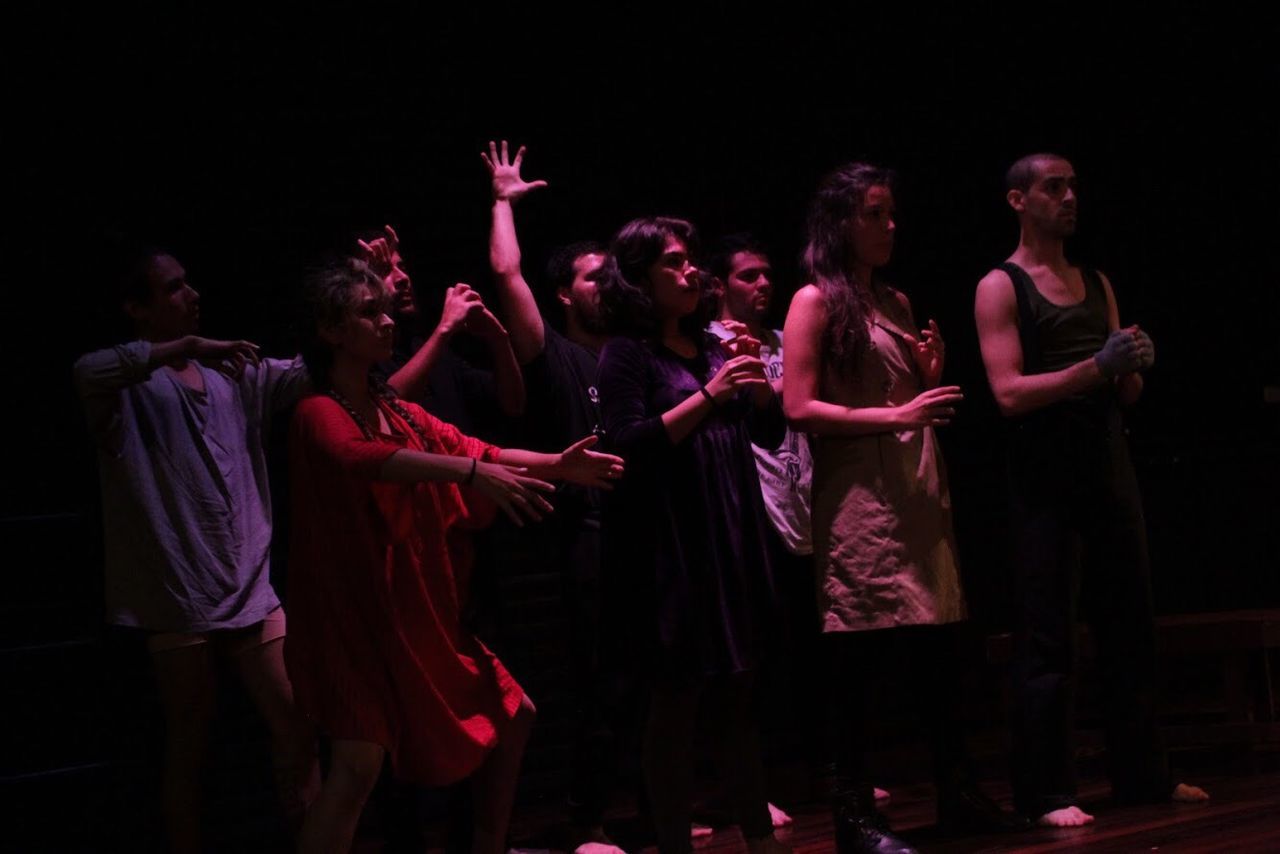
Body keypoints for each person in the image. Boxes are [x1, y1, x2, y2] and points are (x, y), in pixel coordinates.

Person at [286, 257, 624, 854]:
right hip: (353, 623)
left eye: (385, 310)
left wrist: (556, 464)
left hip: (413, 617)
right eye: (369, 313)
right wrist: (469, 474)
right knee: (358, 765)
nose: (387, 322)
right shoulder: (319, 412)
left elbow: (476, 446)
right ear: (330, 330)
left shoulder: (394, 410)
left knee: (513, 713)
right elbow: (365, 459)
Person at [783, 163, 1024, 853]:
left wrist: (927, 377)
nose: (891, 225)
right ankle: (853, 815)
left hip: (916, 493)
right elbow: (798, 406)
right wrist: (899, 412)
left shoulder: (895, 301)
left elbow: (902, 400)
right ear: (839, 223)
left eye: (892, 212)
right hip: (861, 500)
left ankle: (958, 792)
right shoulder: (813, 302)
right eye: (875, 213)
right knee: (858, 664)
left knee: (938, 657)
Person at [973, 152, 1209, 826]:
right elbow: (1009, 393)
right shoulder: (1000, 285)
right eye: (1054, 187)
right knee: (1047, 636)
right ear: (1018, 200)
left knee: (1130, 624)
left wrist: (1133, 365)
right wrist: (1094, 365)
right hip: (1045, 479)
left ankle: (1144, 775)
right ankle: (1048, 791)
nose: (1070, 197)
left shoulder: (1095, 281)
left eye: (1074, 186)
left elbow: (1124, 392)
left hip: (1107, 468)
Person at [73, 248, 318, 854]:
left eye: (188, 285)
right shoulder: (130, 387)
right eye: (173, 288)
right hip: (179, 595)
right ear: (138, 308)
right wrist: (183, 348)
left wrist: (376, 287)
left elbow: (315, 368)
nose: (192, 295)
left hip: (250, 586)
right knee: (189, 744)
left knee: (299, 728)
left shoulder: (232, 375)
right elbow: (86, 371)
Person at [595, 216, 790, 854]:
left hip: (728, 537)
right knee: (675, 704)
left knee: (738, 695)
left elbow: (766, 436)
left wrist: (758, 390)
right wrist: (712, 393)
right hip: (671, 549)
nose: (689, 273)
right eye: (672, 263)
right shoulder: (626, 352)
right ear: (639, 278)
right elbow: (627, 442)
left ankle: (761, 838)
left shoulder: (711, 345)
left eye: (689, 261)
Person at [480, 140, 623, 853]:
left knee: (660, 680)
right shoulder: (555, 356)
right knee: (598, 684)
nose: (609, 287)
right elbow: (504, 272)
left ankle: (660, 807)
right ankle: (589, 821)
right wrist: (504, 199)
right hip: (588, 536)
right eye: (595, 278)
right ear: (565, 292)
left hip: (648, 531)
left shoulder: (633, 355)